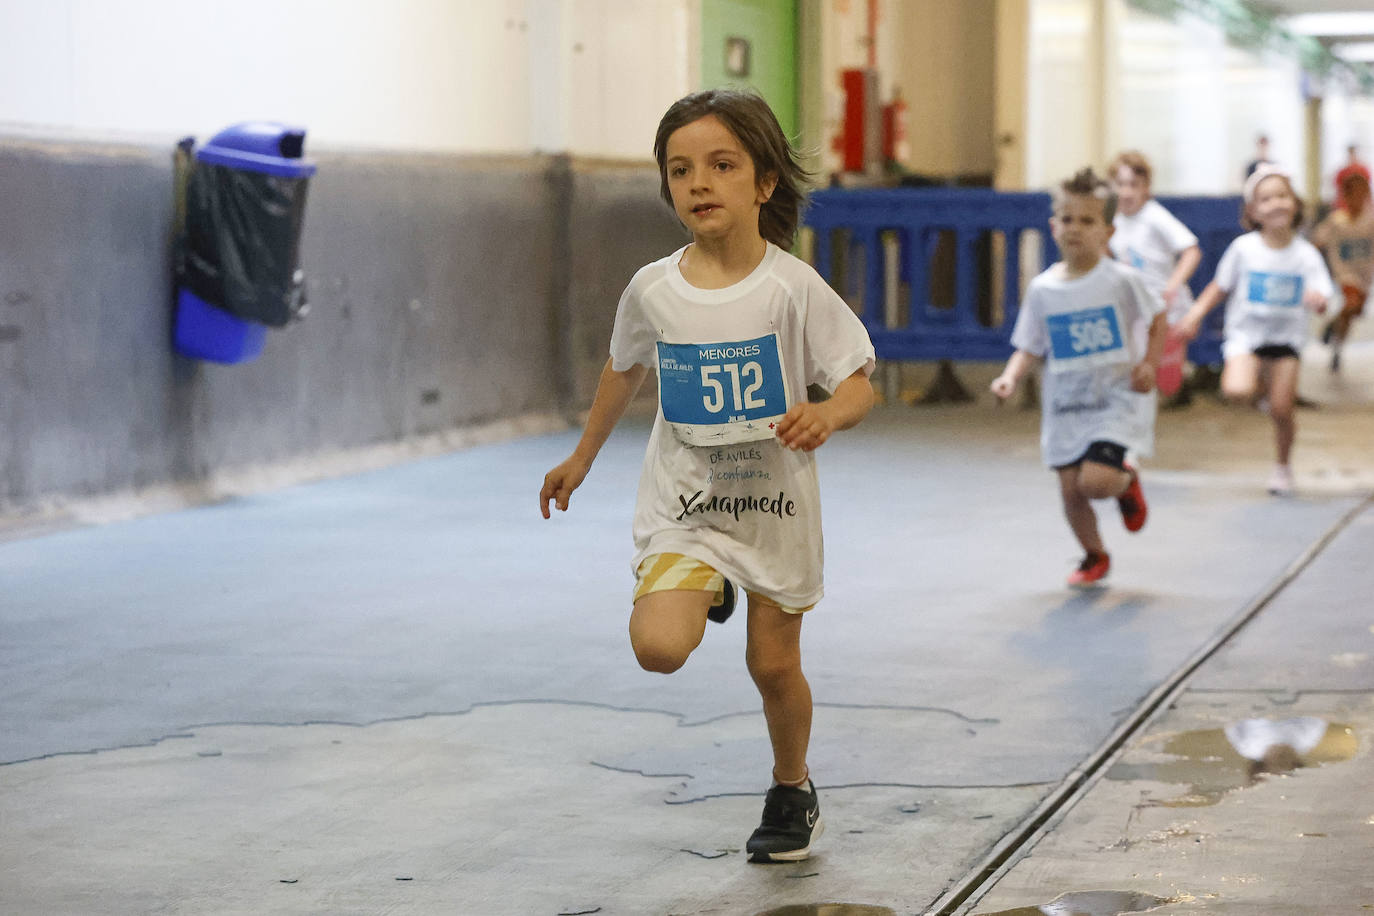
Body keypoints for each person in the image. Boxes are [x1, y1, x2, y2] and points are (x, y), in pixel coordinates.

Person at [539, 89, 875, 864]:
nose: (698, 183)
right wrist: (581, 458)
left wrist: (828, 415)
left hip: (773, 508)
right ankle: (706, 578)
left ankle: (792, 788)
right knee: (658, 646)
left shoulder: (791, 288)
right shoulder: (654, 288)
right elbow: (621, 370)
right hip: (685, 502)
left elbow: (859, 379)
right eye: (680, 169)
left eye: (721, 166)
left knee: (773, 664)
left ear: (762, 185)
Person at [990, 167, 1166, 587]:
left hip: (1115, 401)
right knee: (1071, 491)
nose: (1076, 229)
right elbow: (1031, 344)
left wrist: (1149, 364)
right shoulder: (1043, 290)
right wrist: (1010, 378)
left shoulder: (1121, 280)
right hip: (1066, 405)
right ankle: (1094, 554)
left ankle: (1126, 484)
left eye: (1087, 221)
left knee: (1097, 481)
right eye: (1068, 219)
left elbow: (1158, 317)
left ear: (1107, 230)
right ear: (1054, 227)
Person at [1175, 165, 1333, 496]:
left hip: (1285, 340)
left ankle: (1283, 467)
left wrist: (1318, 301)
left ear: (1295, 203)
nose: (1276, 204)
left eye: (1282, 196)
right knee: (1235, 390)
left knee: (1282, 410)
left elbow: (1324, 293)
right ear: (1253, 210)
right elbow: (1219, 286)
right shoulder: (1244, 249)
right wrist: (1195, 314)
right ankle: (1260, 382)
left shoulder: (1305, 254)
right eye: (1266, 199)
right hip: (1246, 337)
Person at [1107, 150, 1203, 404]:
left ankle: (1180, 383)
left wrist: (1172, 286)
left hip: (1166, 307)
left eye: (1134, 185)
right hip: (1135, 308)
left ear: (1146, 188)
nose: (1127, 193)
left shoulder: (1154, 216)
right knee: (1138, 369)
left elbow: (1191, 251)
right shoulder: (1112, 220)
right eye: (1121, 185)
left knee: (1165, 378)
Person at [1311, 170, 1374, 371]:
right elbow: (1317, 242)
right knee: (1352, 301)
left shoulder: (1370, 220)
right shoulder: (1336, 221)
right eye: (1353, 193)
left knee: (1354, 311)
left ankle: (1336, 340)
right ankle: (1334, 330)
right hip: (1344, 272)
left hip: (1365, 274)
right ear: (1345, 195)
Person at [1332, 144, 1371, 212]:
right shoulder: (1342, 172)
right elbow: (1339, 189)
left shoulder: (1363, 170)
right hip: (1344, 207)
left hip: (1363, 207)